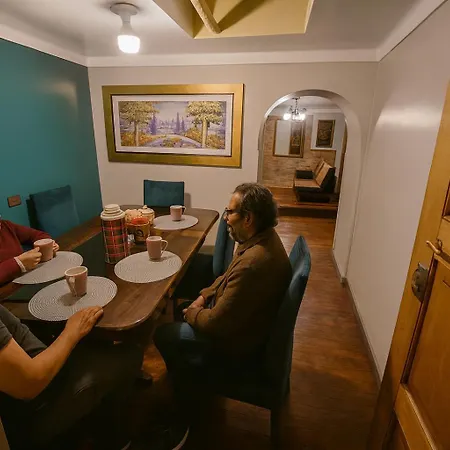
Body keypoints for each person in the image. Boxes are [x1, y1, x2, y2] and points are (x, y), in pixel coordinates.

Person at [153, 183, 292, 448]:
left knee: (164, 333)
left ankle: (185, 405)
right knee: (183, 316)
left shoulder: (254, 262)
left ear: (248, 218)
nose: (226, 218)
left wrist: (192, 313)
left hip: (238, 343)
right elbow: (227, 275)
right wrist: (203, 296)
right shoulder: (261, 239)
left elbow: (217, 323)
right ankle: (189, 378)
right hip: (245, 322)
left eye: (230, 212)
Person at [0, 304, 143, 449]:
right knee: (129, 355)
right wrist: (73, 331)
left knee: (88, 343)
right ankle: (114, 441)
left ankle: (88, 424)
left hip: (47, 373)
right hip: (31, 415)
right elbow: (30, 383)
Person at [0, 218, 60, 285]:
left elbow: (36, 234)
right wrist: (18, 263)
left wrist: (48, 243)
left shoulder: (5, 225)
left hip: (24, 279)